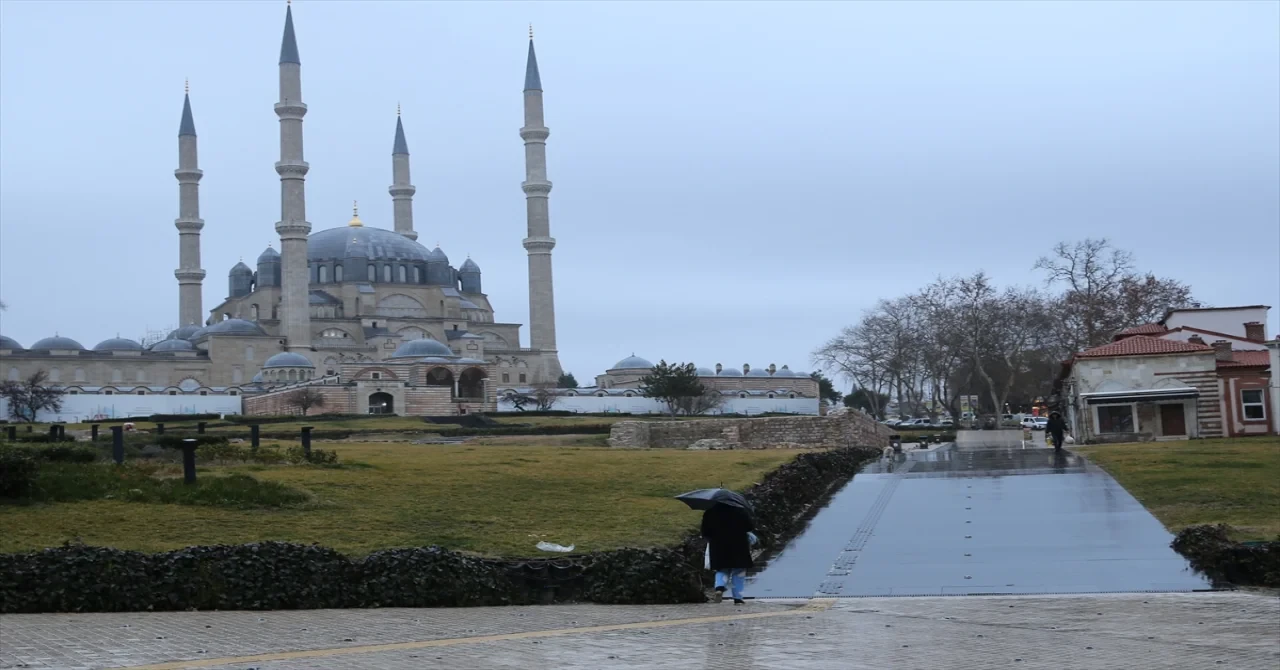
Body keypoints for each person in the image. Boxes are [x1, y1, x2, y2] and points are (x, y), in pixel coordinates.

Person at [701, 503, 755, 605]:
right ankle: (737, 597)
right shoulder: (740, 511)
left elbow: (705, 531)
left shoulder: (710, 512)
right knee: (738, 571)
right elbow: (749, 526)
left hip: (718, 546)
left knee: (721, 569)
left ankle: (719, 588)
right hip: (739, 545)